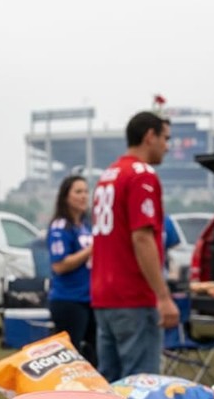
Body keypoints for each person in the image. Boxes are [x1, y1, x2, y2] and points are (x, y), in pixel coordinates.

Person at [90, 111, 179, 382]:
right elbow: (142, 237)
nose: (167, 145)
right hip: (133, 297)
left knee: (111, 391)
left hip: (104, 296)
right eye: (165, 138)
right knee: (141, 389)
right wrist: (163, 297)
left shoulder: (108, 175)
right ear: (149, 136)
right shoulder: (141, 174)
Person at [47, 175, 96, 364]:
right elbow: (59, 265)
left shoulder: (86, 225)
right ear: (66, 197)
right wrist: (90, 250)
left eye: (86, 191)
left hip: (90, 298)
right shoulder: (60, 226)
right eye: (78, 192)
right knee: (70, 358)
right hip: (69, 300)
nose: (84, 196)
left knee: (93, 355)